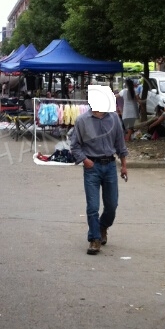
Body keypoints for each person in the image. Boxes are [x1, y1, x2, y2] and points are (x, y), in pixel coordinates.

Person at [70, 87, 128, 255]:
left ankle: (103, 226)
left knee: (112, 205)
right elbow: (74, 145)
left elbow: (120, 144)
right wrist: (85, 160)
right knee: (93, 206)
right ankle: (94, 239)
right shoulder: (82, 121)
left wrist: (124, 165)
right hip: (92, 167)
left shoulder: (114, 118)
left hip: (110, 166)